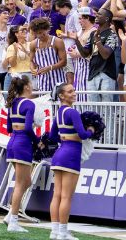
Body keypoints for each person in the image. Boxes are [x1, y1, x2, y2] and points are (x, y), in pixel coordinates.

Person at [48, 82, 95, 240]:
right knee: (66, 197)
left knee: (57, 195)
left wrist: (66, 135)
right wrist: (91, 130)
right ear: (61, 96)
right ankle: (63, 232)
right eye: (70, 91)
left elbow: (52, 137)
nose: (74, 93)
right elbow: (82, 135)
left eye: (74, 90)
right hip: (71, 155)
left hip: (59, 154)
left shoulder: (58, 113)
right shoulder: (72, 112)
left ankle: (54, 231)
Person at [5, 75, 37, 233]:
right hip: (23, 144)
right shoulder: (29, 104)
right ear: (26, 87)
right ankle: (14, 221)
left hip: (12, 143)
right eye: (31, 83)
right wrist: (38, 140)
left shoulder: (12, 103)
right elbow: (28, 128)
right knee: (19, 183)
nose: (33, 85)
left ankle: (10, 214)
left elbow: (9, 128)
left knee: (27, 182)